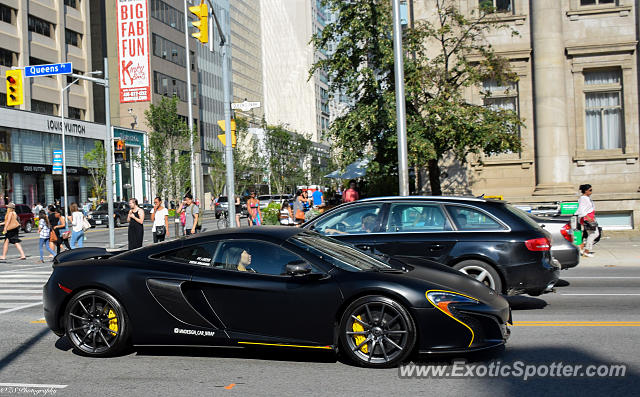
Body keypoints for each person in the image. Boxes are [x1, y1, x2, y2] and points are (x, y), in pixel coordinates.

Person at [575, 184, 599, 257]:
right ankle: (586, 251)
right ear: (586, 191)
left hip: (590, 218)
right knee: (593, 234)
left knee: (592, 234)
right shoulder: (583, 198)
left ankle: (585, 249)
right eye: (590, 190)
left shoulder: (587, 198)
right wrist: (587, 217)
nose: (591, 192)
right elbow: (581, 209)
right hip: (587, 219)